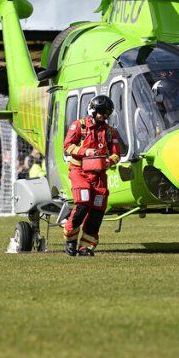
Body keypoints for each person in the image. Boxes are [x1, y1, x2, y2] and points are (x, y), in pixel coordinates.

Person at [61, 95, 121, 257]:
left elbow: (116, 154)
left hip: (99, 176)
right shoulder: (78, 126)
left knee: (97, 212)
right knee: (82, 203)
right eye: (102, 112)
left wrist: (109, 161)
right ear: (93, 110)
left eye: (107, 113)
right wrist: (85, 152)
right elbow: (67, 146)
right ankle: (70, 239)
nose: (104, 116)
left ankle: (85, 247)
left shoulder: (110, 131)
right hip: (79, 172)